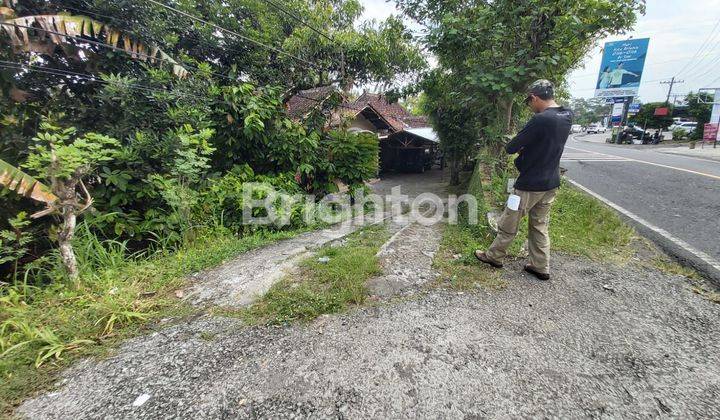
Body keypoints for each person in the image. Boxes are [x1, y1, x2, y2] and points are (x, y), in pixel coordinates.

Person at [475, 80, 573, 281]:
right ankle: (540, 265)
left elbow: (511, 147)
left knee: (509, 222)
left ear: (535, 97)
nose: (530, 106)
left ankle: (494, 256)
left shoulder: (540, 120)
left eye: (529, 101)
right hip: (551, 182)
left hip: (529, 183)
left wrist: (522, 147)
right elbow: (545, 143)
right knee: (539, 225)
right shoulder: (567, 115)